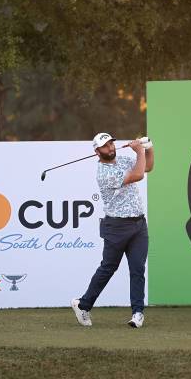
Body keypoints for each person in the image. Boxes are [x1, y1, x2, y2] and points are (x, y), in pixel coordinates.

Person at [71, 132, 154, 328]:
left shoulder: (124, 159)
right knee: (108, 268)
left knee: (138, 269)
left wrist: (149, 149)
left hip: (139, 225)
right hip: (116, 227)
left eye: (111, 143)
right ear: (97, 151)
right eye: (105, 146)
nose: (111, 147)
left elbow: (147, 166)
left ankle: (137, 313)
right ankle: (83, 305)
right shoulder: (104, 173)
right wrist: (140, 151)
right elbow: (138, 175)